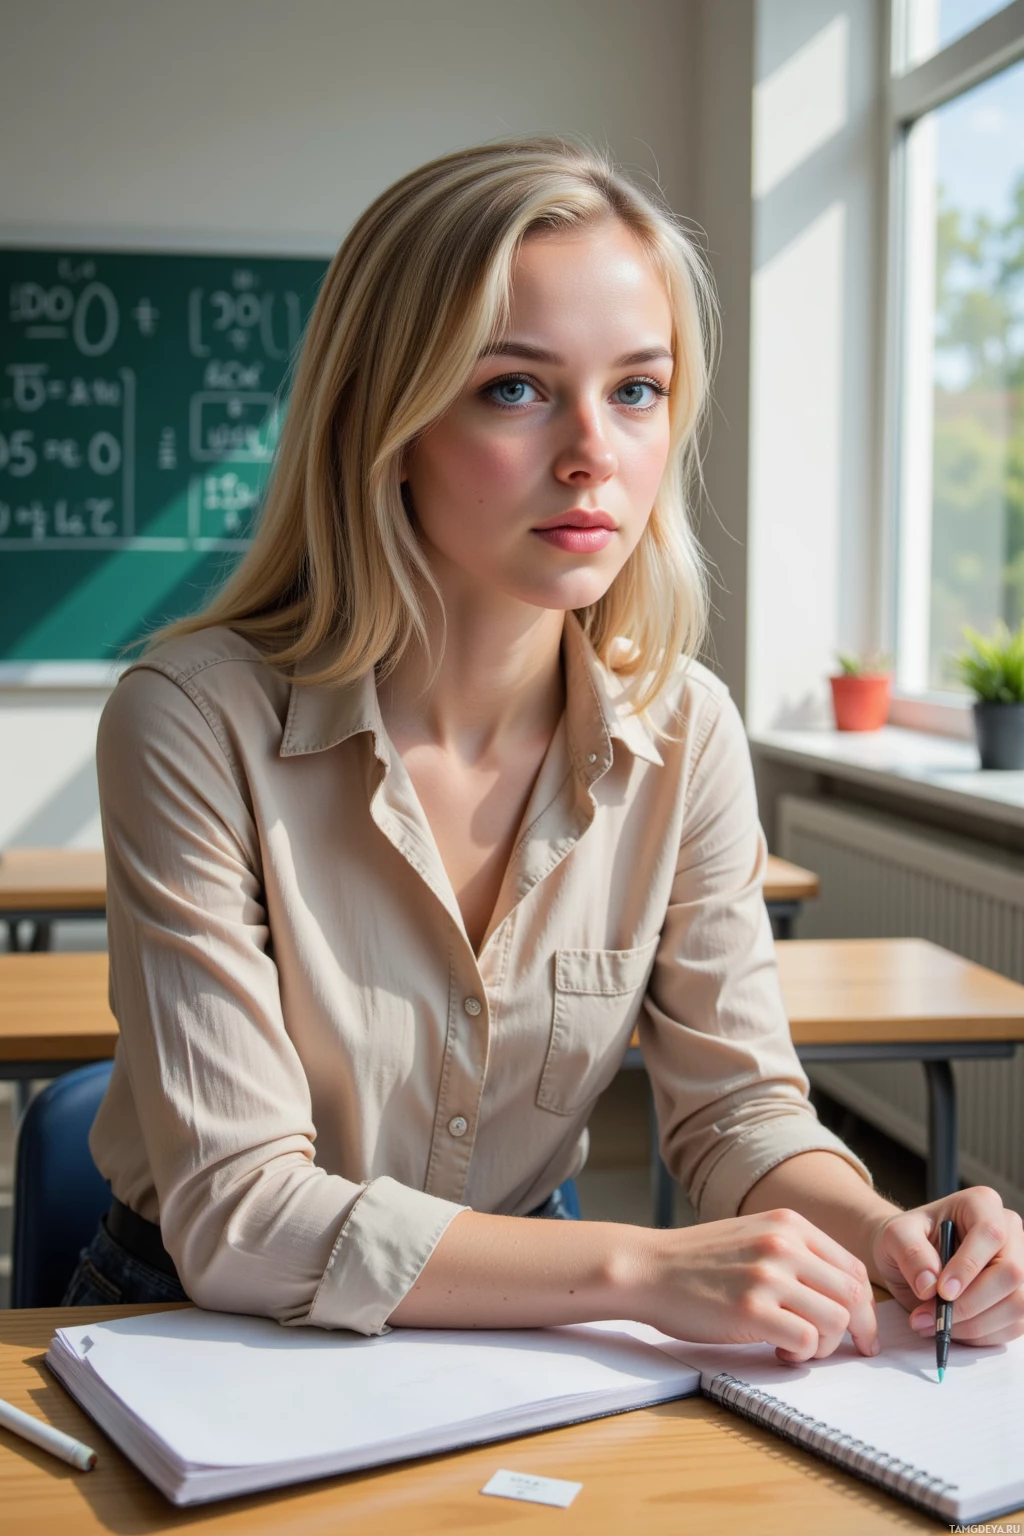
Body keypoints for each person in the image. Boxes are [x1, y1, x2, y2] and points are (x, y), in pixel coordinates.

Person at [67, 135, 1024, 1363]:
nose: (594, 454)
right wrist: (644, 1267)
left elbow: (735, 1108)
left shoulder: (690, 731)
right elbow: (242, 1216)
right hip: (201, 1333)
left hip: (533, 1322)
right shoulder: (190, 719)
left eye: (636, 390)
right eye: (514, 387)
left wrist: (885, 1229)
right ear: (388, 415)